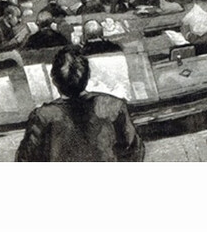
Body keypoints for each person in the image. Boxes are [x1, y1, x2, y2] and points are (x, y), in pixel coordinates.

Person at [15, 46, 144, 162]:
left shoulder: (42, 116)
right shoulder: (114, 106)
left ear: (54, 81)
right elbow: (135, 151)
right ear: (88, 76)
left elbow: (25, 160)